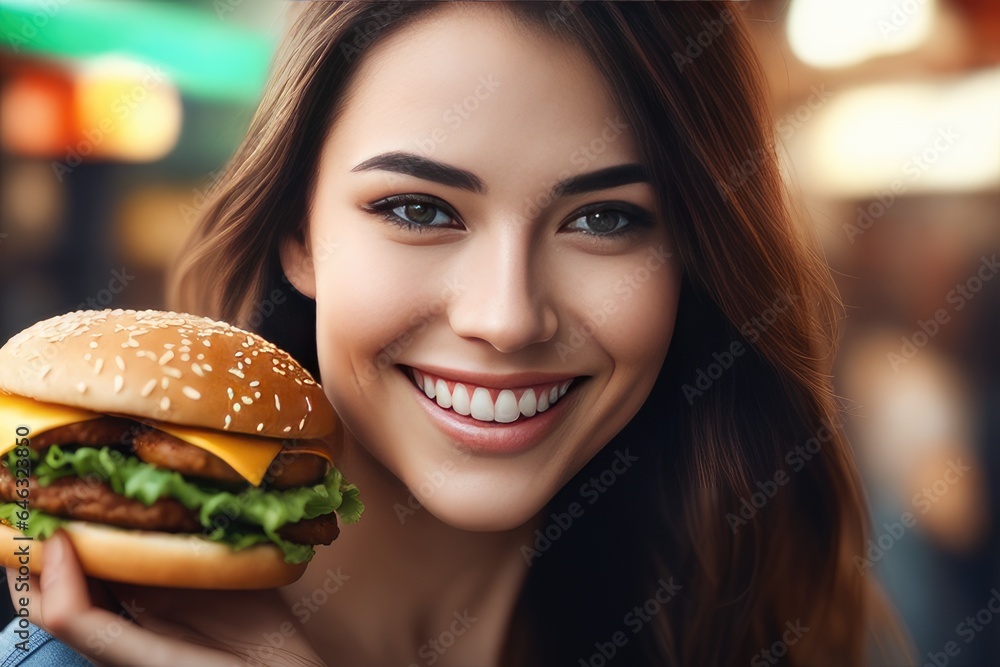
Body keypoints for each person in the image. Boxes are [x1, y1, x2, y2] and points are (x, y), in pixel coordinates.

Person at [3, 2, 912, 665]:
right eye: (417, 207)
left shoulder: (753, 617)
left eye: (604, 220)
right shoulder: (61, 643)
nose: (506, 316)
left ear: (693, 261)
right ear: (298, 233)